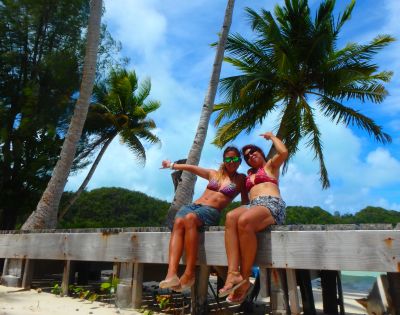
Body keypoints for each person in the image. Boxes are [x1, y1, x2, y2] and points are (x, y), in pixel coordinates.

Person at [159, 146, 249, 291]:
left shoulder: (241, 179)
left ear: (239, 161)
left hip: (211, 211)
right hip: (193, 206)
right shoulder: (213, 174)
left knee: (189, 219)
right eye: (228, 159)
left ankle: (189, 273)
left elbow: (245, 202)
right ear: (224, 160)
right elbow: (192, 168)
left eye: (235, 159)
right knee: (178, 222)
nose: (231, 161)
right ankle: (171, 274)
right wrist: (172, 165)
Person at [218, 132, 288, 304]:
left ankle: (244, 278)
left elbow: (283, 152)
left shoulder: (271, 166)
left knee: (244, 221)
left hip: (271, 204)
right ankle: (233, 273)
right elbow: (241, 195)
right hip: (252, 206)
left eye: (253, 151)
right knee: (231, 217)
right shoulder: (249, 174)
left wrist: (272, 137)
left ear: (261, 153)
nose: (250, 155)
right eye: (247, 156)